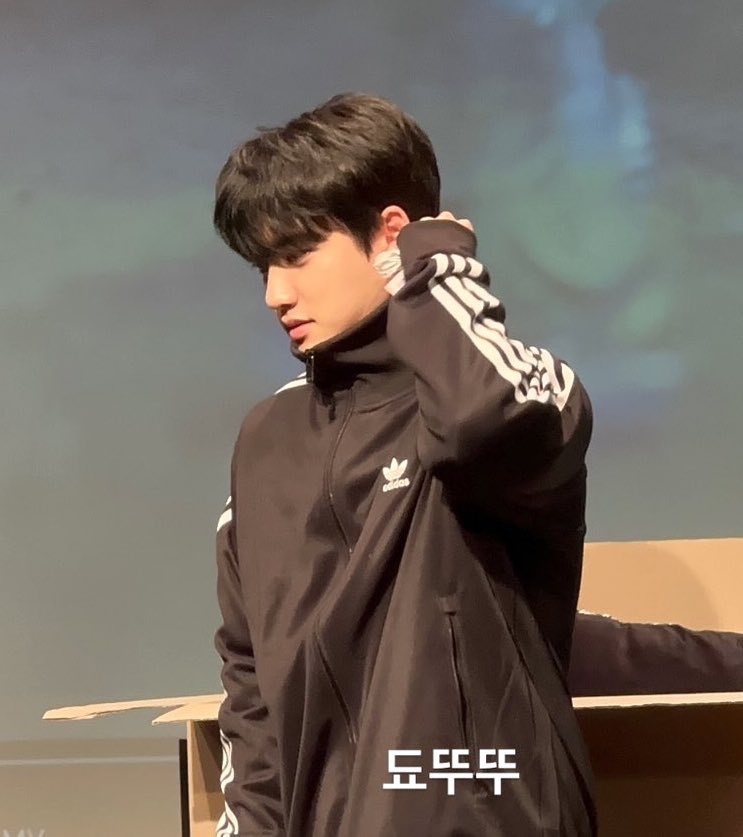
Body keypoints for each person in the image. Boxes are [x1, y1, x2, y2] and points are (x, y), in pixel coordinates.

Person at [212, 92, 596, 837]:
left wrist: (435, 266)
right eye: (263, 265)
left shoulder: (513, 391)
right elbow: (250, 685)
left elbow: (481, 421)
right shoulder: (267, 437)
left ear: (391, 233)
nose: (275, 293)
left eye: (296, 254)